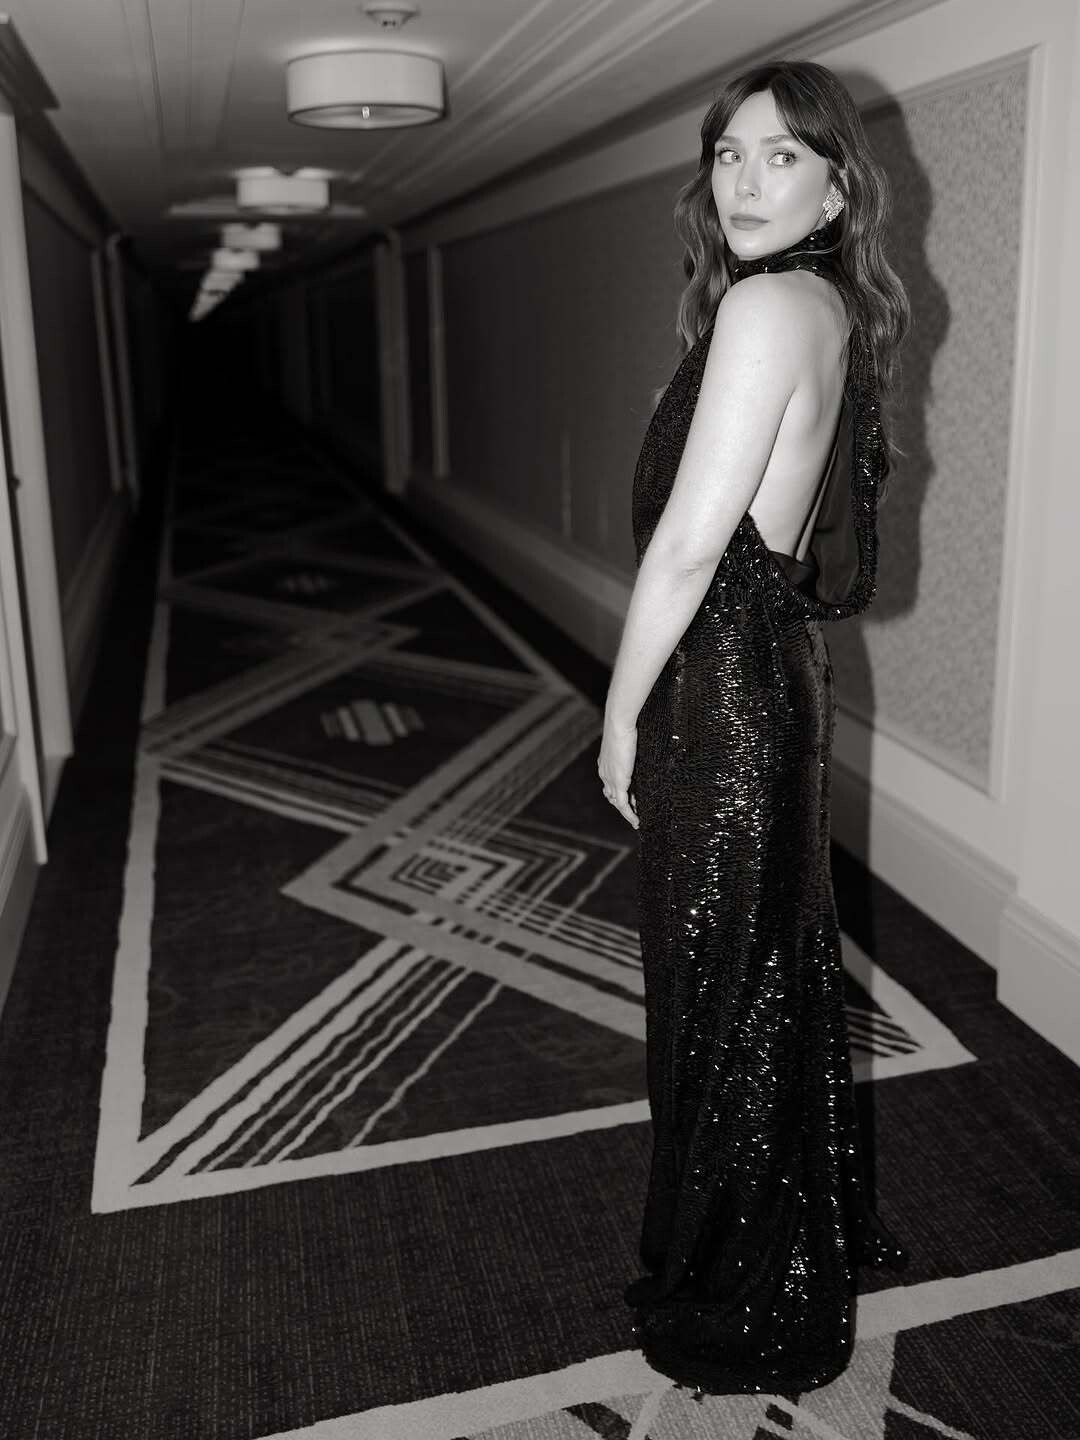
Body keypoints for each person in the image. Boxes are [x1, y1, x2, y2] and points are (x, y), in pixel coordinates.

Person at [596, 59, 911, 1396]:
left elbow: (687, 547)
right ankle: (769, 1247)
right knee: (760, 971)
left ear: (836, 187)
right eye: (729, 152)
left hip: (721, 688)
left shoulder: (768, 304)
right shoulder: (820, 305)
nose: (744, 178)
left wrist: (618, 715)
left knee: (722, 985)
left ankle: (740, 1290)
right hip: (768, 674)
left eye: (783, 156)